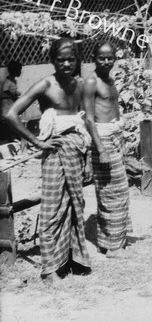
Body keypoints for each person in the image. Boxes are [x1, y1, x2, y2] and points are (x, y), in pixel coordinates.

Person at [4, 38, 92, 283]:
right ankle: (50, 269)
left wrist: (88, 158)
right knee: (52, 208)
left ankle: (73, 259)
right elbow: (10, 114)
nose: (66, 63)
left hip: (77, 150)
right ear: (53, 60)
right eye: (60, 59)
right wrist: (38, 142)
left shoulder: (81, 84)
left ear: (77, 60)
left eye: (70, 59)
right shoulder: (45, 84)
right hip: (54, 153)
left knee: (76, 204)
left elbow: (84, 123)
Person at [83, 42, 132, 258]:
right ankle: (113, 247)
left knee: (118, 190)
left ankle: (110, 240)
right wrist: (100, 148)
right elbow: (88, 118)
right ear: (94, 58)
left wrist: (121, 136)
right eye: (101, 57)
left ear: (115, 58)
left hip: (114, 135)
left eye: (109, 57)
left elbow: (114, 109)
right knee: (110, 191)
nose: (106, 61)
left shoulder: (111, 80)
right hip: (101, 139)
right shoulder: (91, 82)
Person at [0, 60, 23, 143]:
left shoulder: (11, 81)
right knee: (11, 121)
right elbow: (10, 92)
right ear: (16, 71)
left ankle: (14, 137)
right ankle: (13, 138)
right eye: (19, 70)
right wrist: (17, 94)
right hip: (6, 105)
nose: (20, 72)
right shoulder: (9, 82)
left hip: (9, 104)